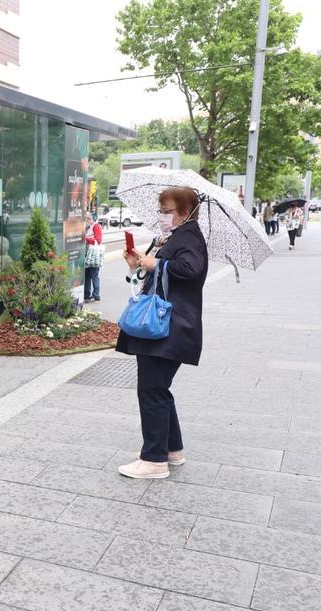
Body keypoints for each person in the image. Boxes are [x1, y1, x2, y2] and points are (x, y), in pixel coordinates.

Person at [116, 186, 208, 480]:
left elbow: (191, 270)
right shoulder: (174, 236)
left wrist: (157, 262)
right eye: (161, 211)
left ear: (185, 212)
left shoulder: (189, 236)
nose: (162, 217)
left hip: (170, 326)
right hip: (170, 325)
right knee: (159, 389)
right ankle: (171, 449)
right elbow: (162, 273)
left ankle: (154, 460)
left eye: (167, 211)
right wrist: (139, 264)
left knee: (152, 389)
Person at [83, 219, 103, 302]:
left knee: (94, 274)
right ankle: (86, 295)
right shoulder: (85, 228)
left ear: (89, 219)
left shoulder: (96, 226)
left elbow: (98, 240)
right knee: (86, 275)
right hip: (86, 254)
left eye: (87, 220)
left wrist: (86, 239)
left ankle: (96, 294)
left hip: (94, 255)